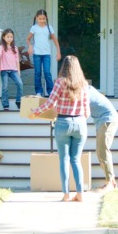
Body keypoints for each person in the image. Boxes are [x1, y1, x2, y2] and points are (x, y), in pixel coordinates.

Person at [31, 55, 89, 202]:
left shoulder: (60, 82)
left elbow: (50, 103)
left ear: (64, 67)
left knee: (64, 159)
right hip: (80, 123)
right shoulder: (84, 85)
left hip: (63, 122)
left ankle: (66, 195)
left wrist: (35, 112)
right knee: (76, 160)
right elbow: (87, 111)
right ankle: (80, 193)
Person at [86, 87, 118, 191]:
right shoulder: (87, 89)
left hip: (107, 120)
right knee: (101, 152)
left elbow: (83, 111)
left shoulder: (86, 92)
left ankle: (110, 182)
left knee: (103, 151)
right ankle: (111, 182)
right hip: (104, 121)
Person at [26, 9, 61, 96]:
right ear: (36, 18)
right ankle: (39, 91)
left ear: (46, 18)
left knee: (47, 73)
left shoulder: (49, 28)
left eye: (43, 18)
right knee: (37, 73)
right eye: (40, 18)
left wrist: (58, 51)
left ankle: (50, 92)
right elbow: (28, 39)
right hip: (37, 54)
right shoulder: (34, 28)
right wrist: (30, 46)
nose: (42, 20)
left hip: (46, 54)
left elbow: (55, 40)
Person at [0, 29, 22, 111]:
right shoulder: (2, 47)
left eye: (11, 37)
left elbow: (17, 60)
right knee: (5, 87)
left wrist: (18, 71)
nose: (10, 38)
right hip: (4, 71)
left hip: (14, 70)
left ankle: (18, 101)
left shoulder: (15, 48)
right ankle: (5, 104)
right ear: (4, 37)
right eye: (8, 37)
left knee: (20, 83)